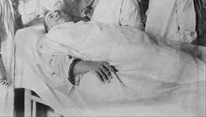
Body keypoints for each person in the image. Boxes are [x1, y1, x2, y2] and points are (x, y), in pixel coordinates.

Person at [39, 10, 205, 116]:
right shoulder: (53, 37)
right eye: (51, 17)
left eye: (57, 11)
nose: (56, 14)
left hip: (136, 41)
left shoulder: (85, 24)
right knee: (177, 69)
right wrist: (89, 65)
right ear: (49, 28)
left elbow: (114, 32)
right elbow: (56, 63)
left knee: (176, 58)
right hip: (128, 58)